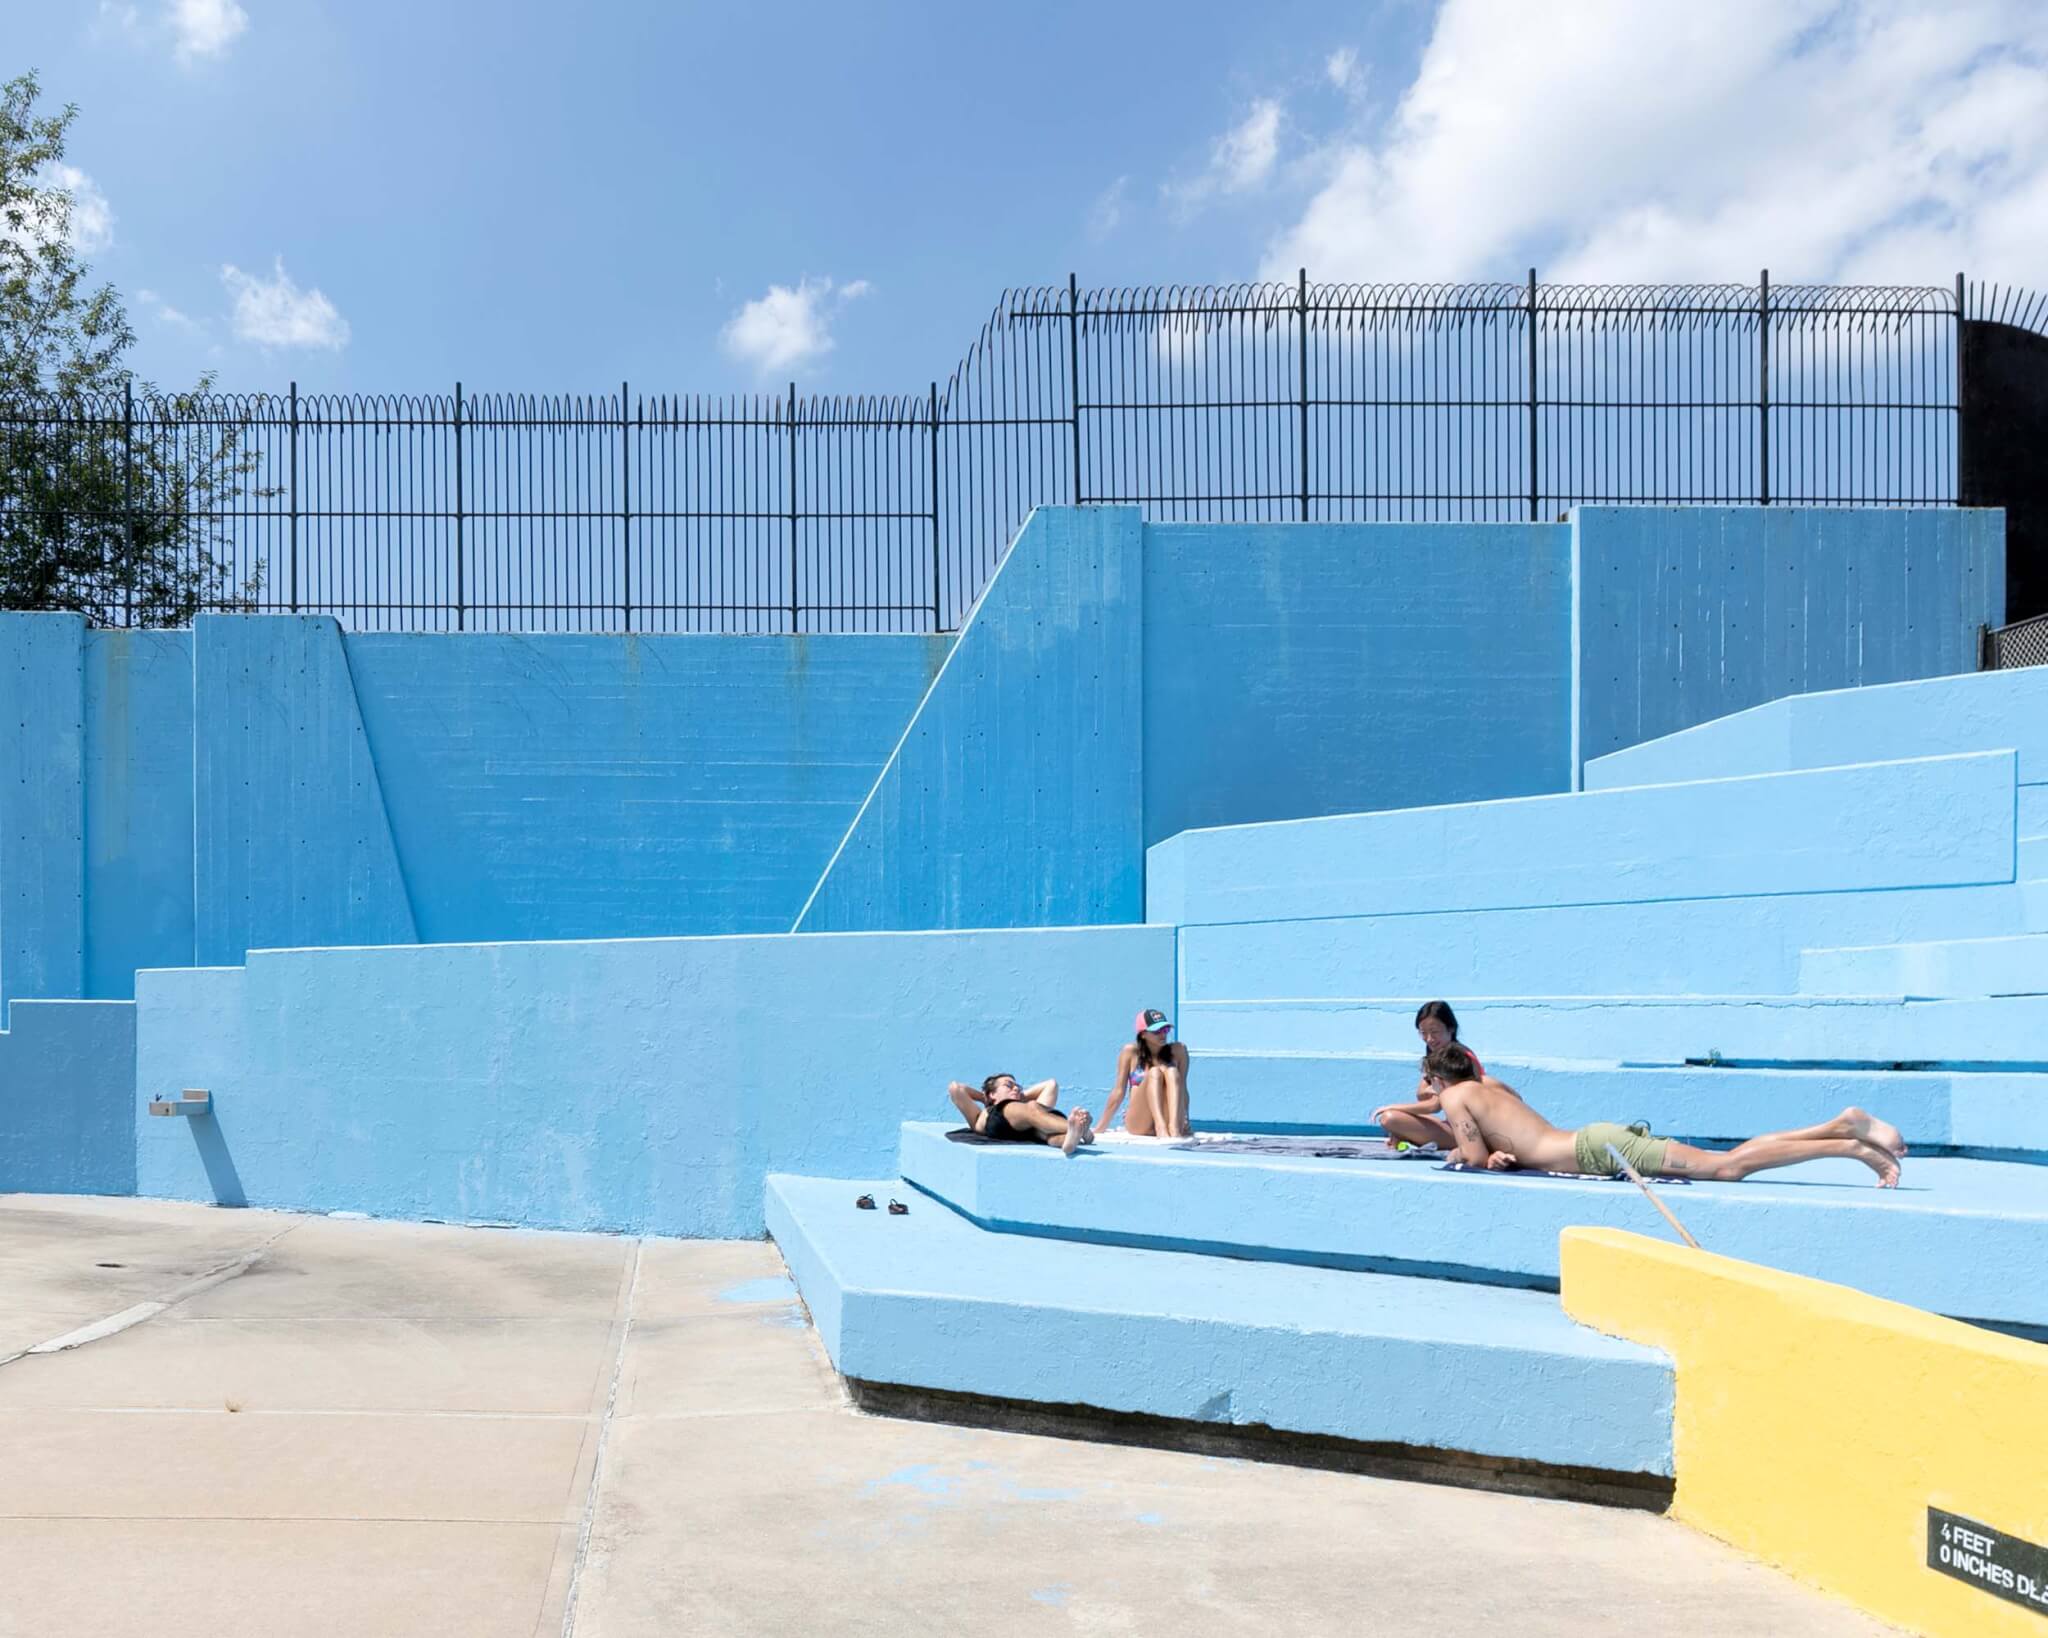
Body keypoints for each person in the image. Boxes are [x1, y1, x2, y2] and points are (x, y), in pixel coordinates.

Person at [1421, 1044, 1904, 1186]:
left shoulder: (1454, 1096)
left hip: (1598, 1151)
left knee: (1728, 1167)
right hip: (1594, 1141)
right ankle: (1840, 1127)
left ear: (1438, 1079)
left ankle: (1848, 1145)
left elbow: (1472, 1153)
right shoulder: (1491, 1086)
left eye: (1429, 1085)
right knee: (1729, 1159)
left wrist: (1481, 1158)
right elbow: (1514, 1134)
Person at [1372, 1001, 1501, 1149]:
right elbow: (1423, 1095)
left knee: (1390, 1118)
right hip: (1456, 1124)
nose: (1429, 1039)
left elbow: (1434, 1106)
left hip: (1473, 1132)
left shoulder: (1458, 1058)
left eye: (1435, 1032)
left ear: (1451, 1029)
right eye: (1423, 1033)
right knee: (1398, 1120)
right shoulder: (1437, 1056)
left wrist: (1392, 1107)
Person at [947, 1073, 1094, 1156]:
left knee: (1047, 1134)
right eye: (1009, 1085)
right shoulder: (984, 1114)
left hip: (1029, 1131)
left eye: (1018, 1087)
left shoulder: (1026, 1107)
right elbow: (955, 1088)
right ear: (992, 1094)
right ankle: (1081, 1130)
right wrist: (985, 1098)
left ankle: (1068, 1140)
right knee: (1033, 1108)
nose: (1016, 1088)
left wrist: (1020, 1096)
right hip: (1001, 1119)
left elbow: (1051, 1084)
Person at [1099, 1008, 1191, 1137]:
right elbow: (1119, 1091)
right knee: (1155, 1073)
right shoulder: (1131, 1052)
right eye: (1157, 1031)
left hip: (1170, 1118)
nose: (1163, 1035)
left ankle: (1174, 1128)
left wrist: (1186, 1116)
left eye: (1165, 1030)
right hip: (1139, 1122)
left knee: (1172, 1072)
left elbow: (1182, 1089)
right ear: (1143, 1034)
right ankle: (1160, 1127)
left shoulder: (1178, 1051)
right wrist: (1100, 1127)